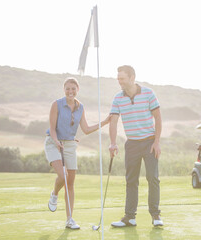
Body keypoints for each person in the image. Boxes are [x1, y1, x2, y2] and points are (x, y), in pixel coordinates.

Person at [44, 77, 110, 229]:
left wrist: (104, 122)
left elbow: (86, 129)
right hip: (53, 142)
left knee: (71, 183)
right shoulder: (56, 104)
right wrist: (56, 141)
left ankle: (69, 220)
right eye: (67, 88)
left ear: (77, 90)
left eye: (73, 88)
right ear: (64, 89)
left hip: (70, 145)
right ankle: (54, 194)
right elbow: (52, 128)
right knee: (63, 176)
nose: (70, 91)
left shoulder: (80, 107)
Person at [109, 65, 163, 227]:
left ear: (132, 78)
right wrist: (112, 143)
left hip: (149, 142)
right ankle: (130, 217)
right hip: (131, 143)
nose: (120, 82)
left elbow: (158, 118)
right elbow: (113, 121)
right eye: (118, 79)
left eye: (122, 79)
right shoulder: (118, 98)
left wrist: (157, 142)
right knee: (131, 180)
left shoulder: (148, 93)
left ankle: (156, 216)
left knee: (152, 178)